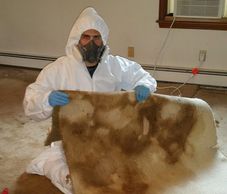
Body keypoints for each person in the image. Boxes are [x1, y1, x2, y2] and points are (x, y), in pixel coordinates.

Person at [23, 7, 157, 121]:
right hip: (69, 134)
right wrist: (47, 100)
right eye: (86, 37)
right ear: (77, 39)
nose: (91, 43)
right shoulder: (59, 69)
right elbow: (30, 105)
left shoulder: (114, 65)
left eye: (96, 37)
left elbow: (143, 77)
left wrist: (143, 86)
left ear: (103, 39)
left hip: (107, 132)